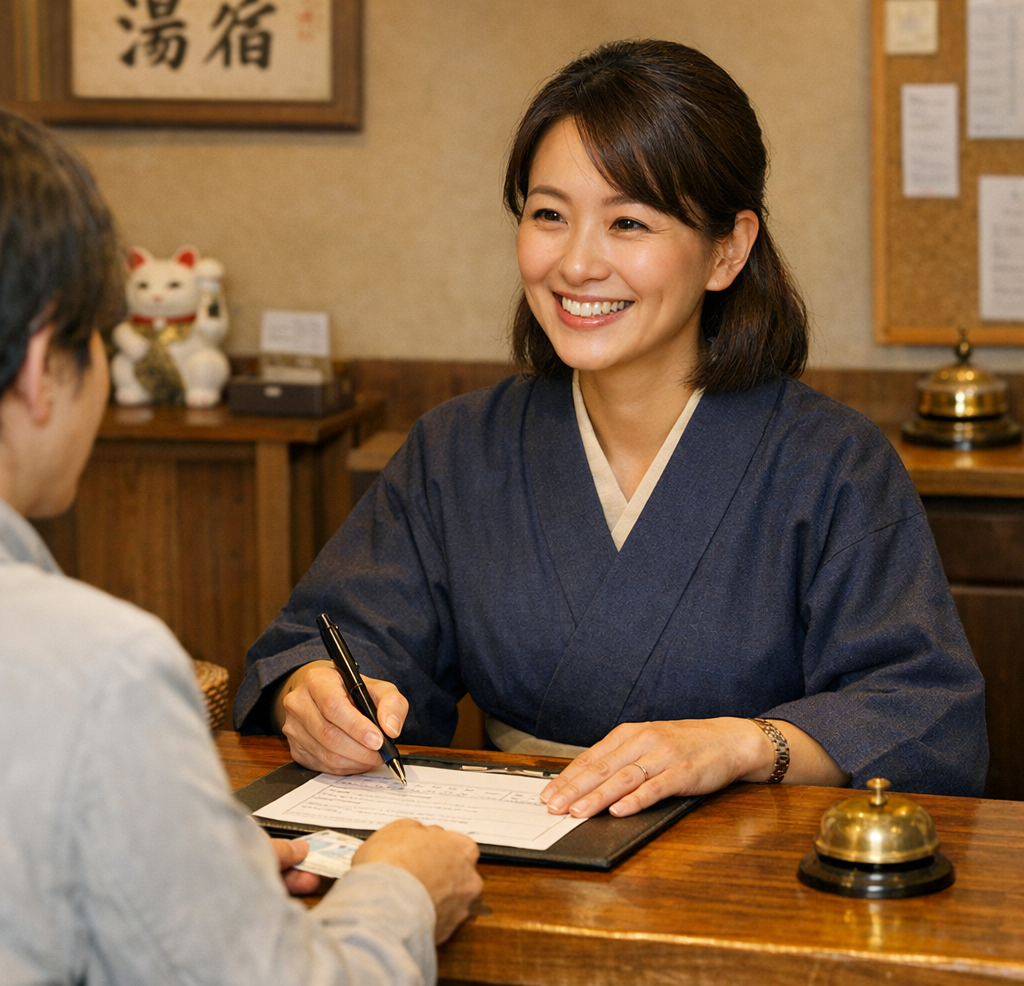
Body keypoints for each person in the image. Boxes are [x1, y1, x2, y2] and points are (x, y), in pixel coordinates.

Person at [235, 40, 988, 815]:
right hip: (505, 864)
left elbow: (925, 711)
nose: (577, 264)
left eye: (628, 222)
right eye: (549, 214)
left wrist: (744, 743)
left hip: (751, 876)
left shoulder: (833, 463)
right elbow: (331, 643)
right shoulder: (457, 450)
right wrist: (314, 697)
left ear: (727, 250)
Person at [0, 108, 482, 986]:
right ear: (42, 370)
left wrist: (196, 881)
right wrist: (401, 889)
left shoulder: (819, 455)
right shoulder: (96, 667)